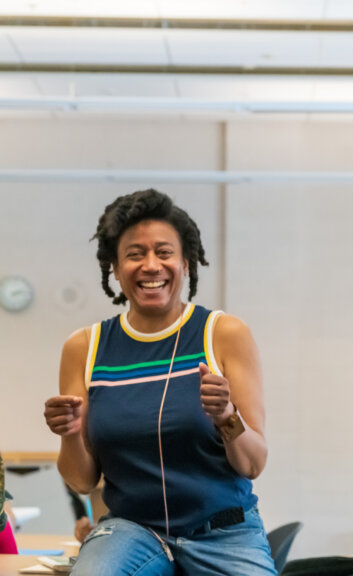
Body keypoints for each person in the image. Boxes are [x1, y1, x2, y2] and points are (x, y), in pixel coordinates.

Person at [43, 189, 277, 575]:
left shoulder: (223, 333)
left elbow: (253, 464)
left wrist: (227, 415)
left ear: (186, 263)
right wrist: (69, 433)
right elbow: (82, 481)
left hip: (222, 532)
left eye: (165, 252)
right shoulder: (85, 347)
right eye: (135, 254)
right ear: (115, 269)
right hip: (130, 531)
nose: (151, 265)